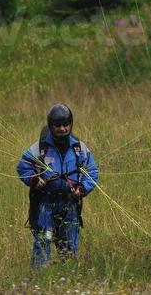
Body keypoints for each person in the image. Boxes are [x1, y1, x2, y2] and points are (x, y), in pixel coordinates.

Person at [16, 103, 99, 268]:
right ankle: (39, 279)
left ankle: (67, 277)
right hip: (45, 205)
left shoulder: (79, 149)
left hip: (69, 204)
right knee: (44, 239)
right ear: (51, 125)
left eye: (66, 124)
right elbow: (22, 167)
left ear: (71, 124)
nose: (62, 129)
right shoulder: (40, 148)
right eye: (58, 125)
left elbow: (92, 172)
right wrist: (34, 180)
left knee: (68, 245)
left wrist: (82, 189)